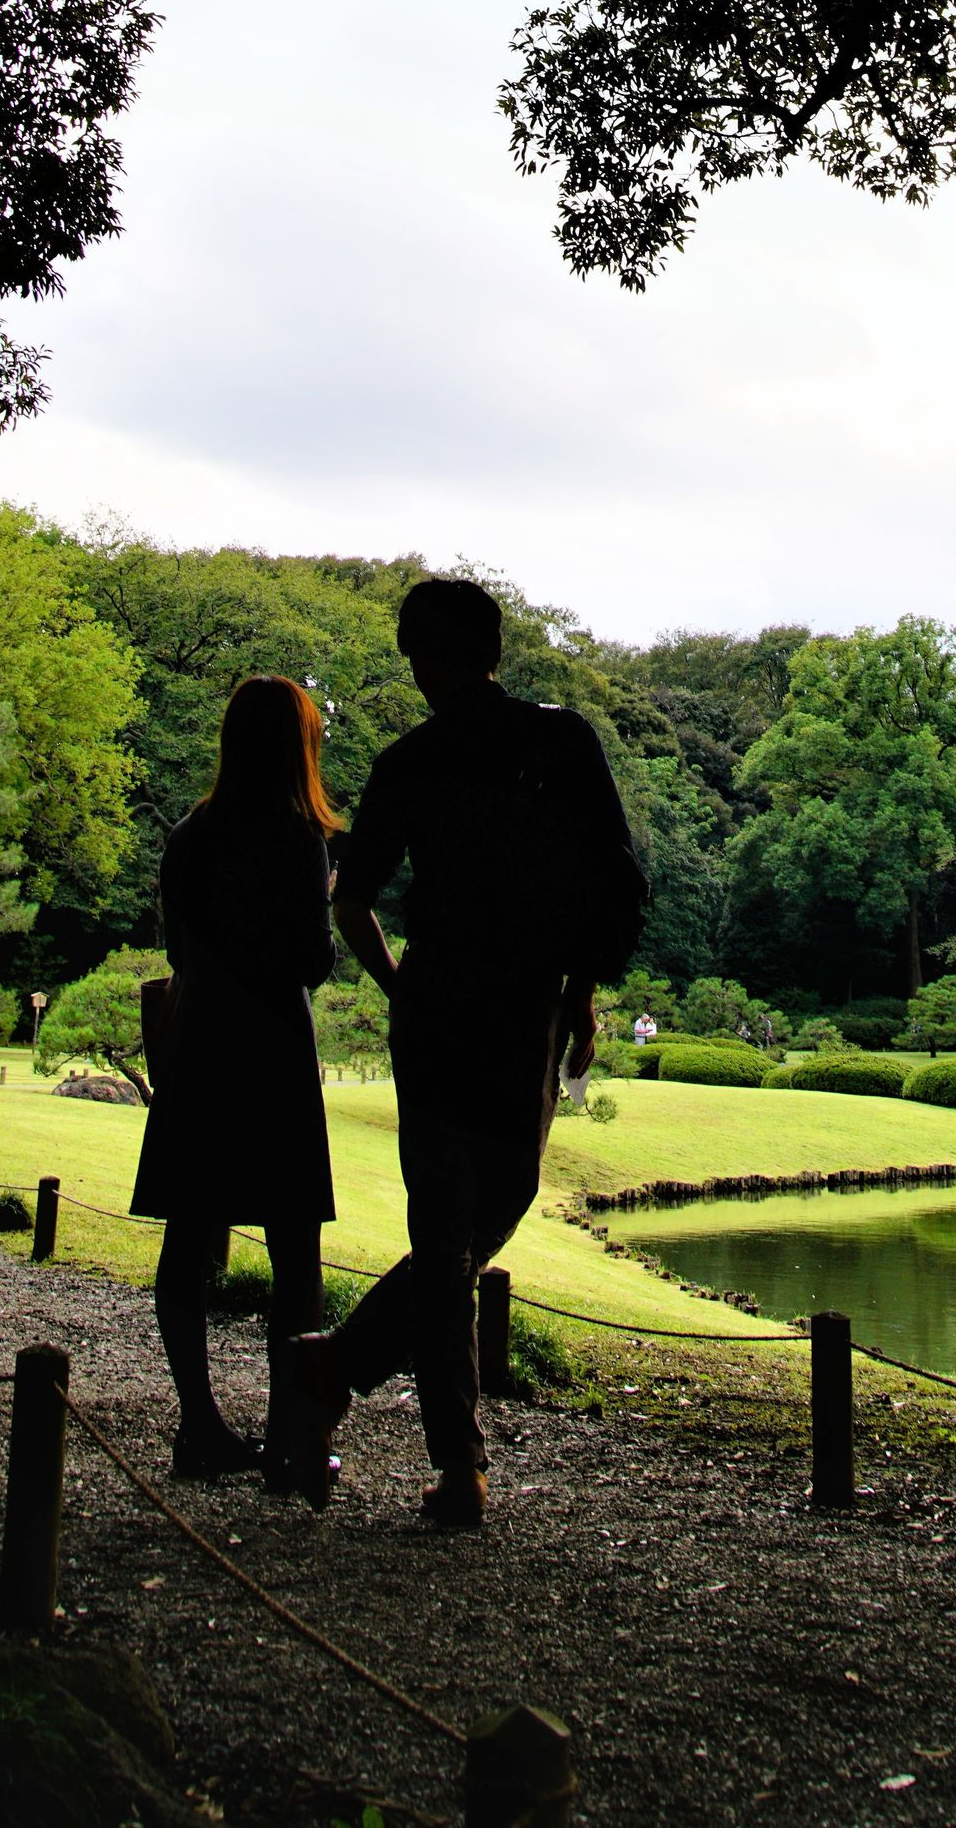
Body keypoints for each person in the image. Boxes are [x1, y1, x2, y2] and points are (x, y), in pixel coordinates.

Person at [272, 577, 645, 1528]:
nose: (421, 667)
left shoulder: (431, 758)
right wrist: (573, 992)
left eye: (422, 651)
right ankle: (458, 1463)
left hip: (468, 1002)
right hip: (503, 1004)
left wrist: (405, 987)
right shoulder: (550, 744)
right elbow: (607, 883)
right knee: (460, 1231)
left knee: (469, 1228)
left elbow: (354, 902)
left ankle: (334, 1369)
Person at [130, 672, 341, 1478]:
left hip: (201, 1040)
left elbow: (180, 949)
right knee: (294, 1248)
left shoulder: (190, 834)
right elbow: (310, 961)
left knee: (188, 1238)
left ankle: (199, 1423)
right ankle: (290, 1435)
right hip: (273, 1048)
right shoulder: (296, 839)